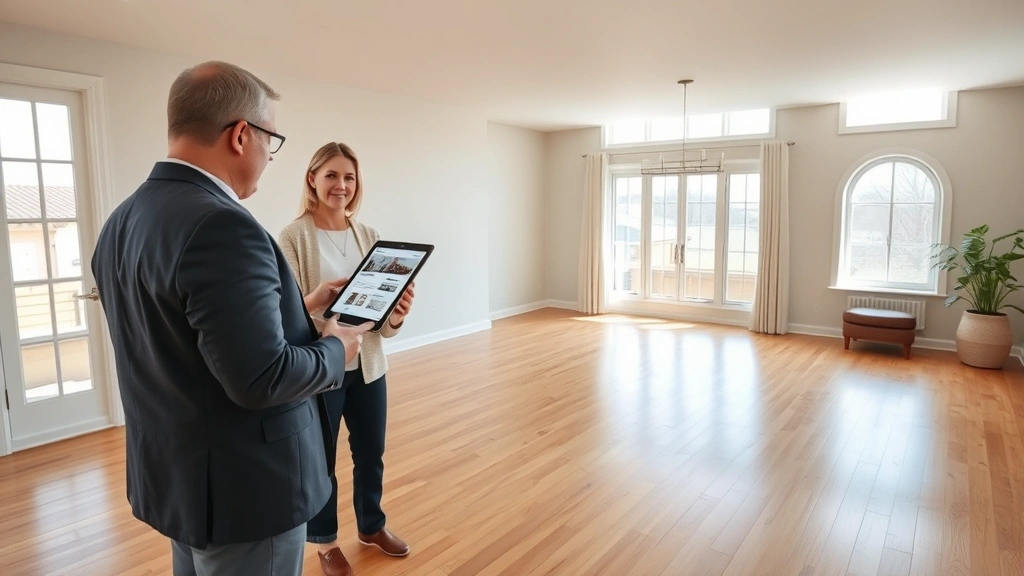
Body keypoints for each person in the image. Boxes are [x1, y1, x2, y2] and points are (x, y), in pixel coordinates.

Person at [90, 62, 372, 576]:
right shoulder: (222, 224)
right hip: (245, 492)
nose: (269, 157)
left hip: (178, 478)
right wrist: (338, 347)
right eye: (272, 140)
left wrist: (302, 306)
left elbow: (180, 331)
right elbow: (261, 378)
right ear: (242, 135)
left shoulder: (124, 218)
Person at [278, 142, 415, 576]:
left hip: (369, 365)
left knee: (370, 451)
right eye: (332, 175)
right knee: (321, 459)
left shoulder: (370, 237)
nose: (341, 185)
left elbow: (382, 322)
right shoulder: (292, 238)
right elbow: (284, 315)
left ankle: (371, 526)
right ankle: (325, 543)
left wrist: (397, 313)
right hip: (322, 368)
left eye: (349, 177)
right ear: (312, 179)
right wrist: (317, 304)